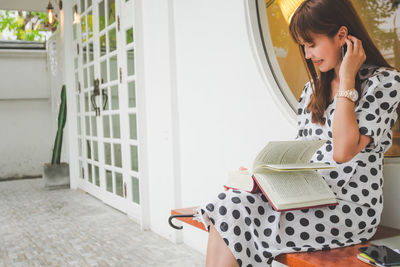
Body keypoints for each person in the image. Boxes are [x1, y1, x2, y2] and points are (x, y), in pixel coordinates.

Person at [199, 0, 400, 266]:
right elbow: (302, 158)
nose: (307, 54)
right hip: (306, 198)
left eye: (311, 43)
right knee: (230, 201)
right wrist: (261, 181)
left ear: (342, 35)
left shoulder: (385, 82)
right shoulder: (311, 90)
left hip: (349, 210)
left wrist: (348, 78)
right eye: (303, 46)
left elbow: (343, 151)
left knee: (229, 212)